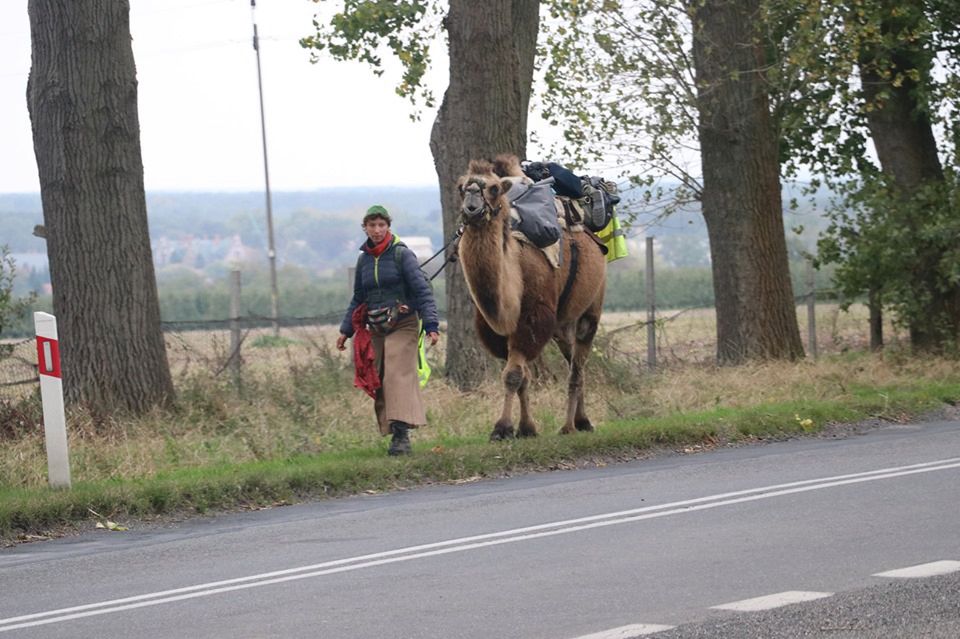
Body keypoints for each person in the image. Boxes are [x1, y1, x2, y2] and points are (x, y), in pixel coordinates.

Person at [337, 204, 440, 456]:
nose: (376, 230)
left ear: (388, 227)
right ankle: (393, 430)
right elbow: (358, 298)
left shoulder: (401, 255)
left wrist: (431, 325)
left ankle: (402, 436)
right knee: (380, 377)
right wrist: (345, 330)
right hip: (376, 326)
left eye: (381, 225)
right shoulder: (363, 260)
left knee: (396, 373)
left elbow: (422, 290)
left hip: (403, 323)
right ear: (365, 228)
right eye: (371, 225)